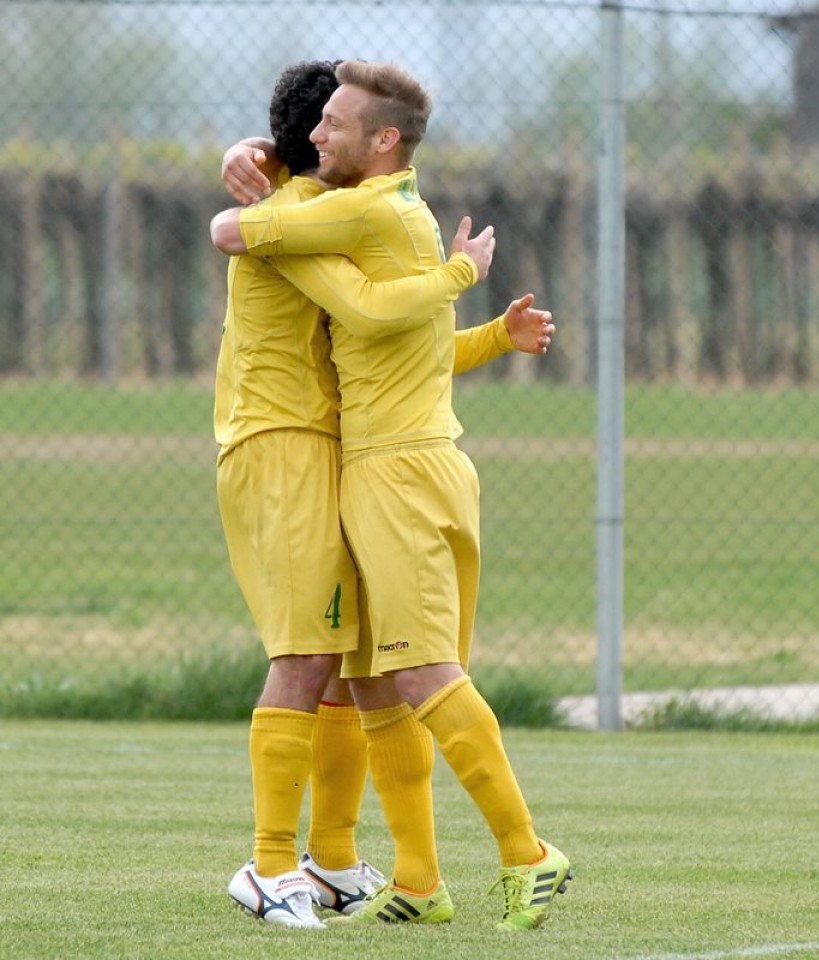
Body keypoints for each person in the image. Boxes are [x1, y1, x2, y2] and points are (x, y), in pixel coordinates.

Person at [211, 59, 572, 932]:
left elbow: (387, 340)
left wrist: (474, 314)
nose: (330, 131)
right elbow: (368, 313)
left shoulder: (350, 214)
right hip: (290, 445)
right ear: (311, 142)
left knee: (367, 667)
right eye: (323, 121)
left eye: (345, 120)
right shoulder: (317, 216)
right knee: (325, 658)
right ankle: (276, 865)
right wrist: (462, 282)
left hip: (373, 460)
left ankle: (346, 863)